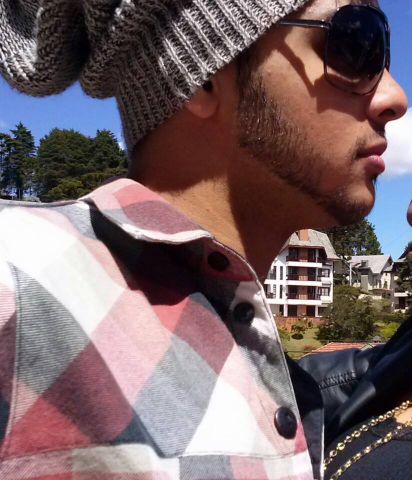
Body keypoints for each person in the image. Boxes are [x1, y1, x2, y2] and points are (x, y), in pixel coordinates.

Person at [0, 0, 408, 479]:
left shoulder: (288, 390)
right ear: (203, 76)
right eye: (356, 42)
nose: (395, 98)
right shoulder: (19, 276)